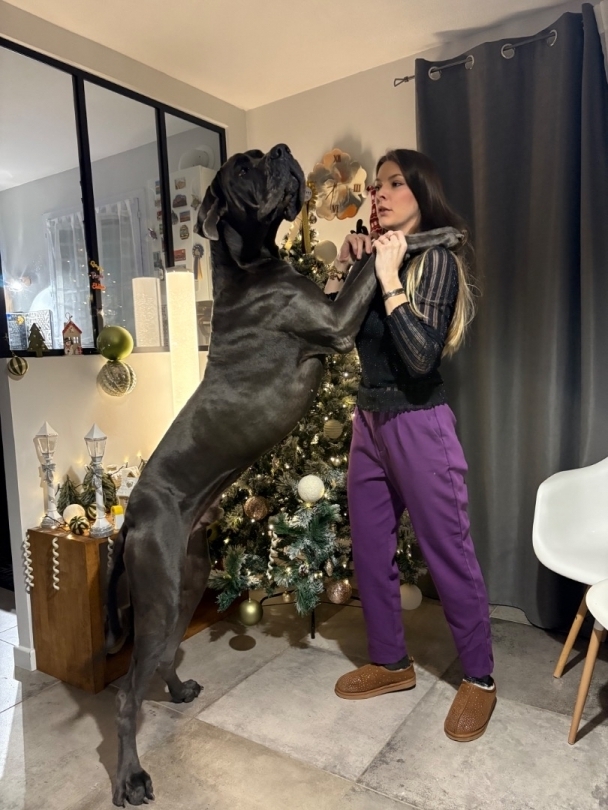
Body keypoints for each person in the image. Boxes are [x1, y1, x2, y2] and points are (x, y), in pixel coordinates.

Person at [333, 149, 496, 743]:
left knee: (448, 551)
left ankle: (479, 677)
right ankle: (391, 663)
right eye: (376, 186)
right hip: (369, 421)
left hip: (419, 423)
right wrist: (346, 268)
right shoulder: (375, 257)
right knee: (370, 550)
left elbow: (422, 356)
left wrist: (388, 278)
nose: (378, 194)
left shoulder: (437, 261)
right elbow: (333, 334)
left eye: (393, 183)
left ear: (421, 194)